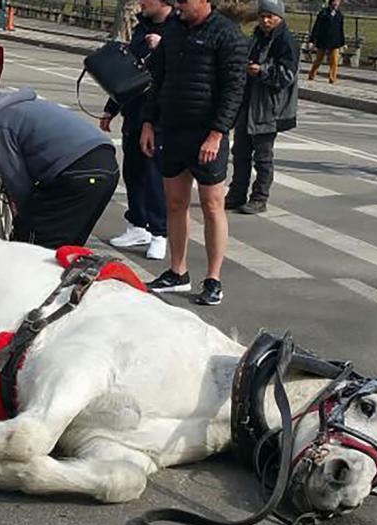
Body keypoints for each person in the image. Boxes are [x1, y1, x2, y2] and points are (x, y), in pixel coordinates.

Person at [140, 0, 247, 306]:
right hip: (172, 130)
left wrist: (216, 134)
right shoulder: (173, 30)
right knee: (175, 202)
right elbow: (157, 80)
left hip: (206, 134)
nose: (178, 6)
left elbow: (234, 90)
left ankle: (213, 278)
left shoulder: (227, 35)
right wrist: (149, 122)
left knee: (213, 205)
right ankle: (177, 271)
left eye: (184, 1)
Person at [0, 87, 118, 249]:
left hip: (77, 172)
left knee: (35, 246)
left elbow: (17, 181)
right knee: (69, 247)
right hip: (107, 165)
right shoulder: (24, 106)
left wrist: (25, 217)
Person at [102, 0, 178, 261]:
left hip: (161, 115)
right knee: (133, 169)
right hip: (134, 111)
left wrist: (162, 48)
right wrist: (111, 107)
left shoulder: (178, 29)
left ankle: (160, 232)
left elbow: (182, 70)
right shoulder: (141, 27)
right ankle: (137, 224)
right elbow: (128, 71)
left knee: (154, 173)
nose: (141, 2)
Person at [227, 0, 299, 216]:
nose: (266, 20)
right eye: (262, 16)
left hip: (269, 107)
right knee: (240, 152)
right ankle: (236, 194)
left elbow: (287, 75)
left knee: (263, 156)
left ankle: (259, 197)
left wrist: (261, 71)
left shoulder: (285, 41)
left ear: (280, 17)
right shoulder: (257, 36)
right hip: (247, 103)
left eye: (271, 16)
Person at [307, 0, 346, 84]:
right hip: (323, 41)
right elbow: (316, 27)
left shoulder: (339, 15)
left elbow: (341, 30)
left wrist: (343, 43)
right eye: (335, 1)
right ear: (331, 2)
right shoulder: (323, 13)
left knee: (334, 61)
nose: (336, 4)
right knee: (318, 60)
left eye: (338, 2)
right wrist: (312, 41)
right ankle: (312, 75)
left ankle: (332, 79)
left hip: (334, 42)